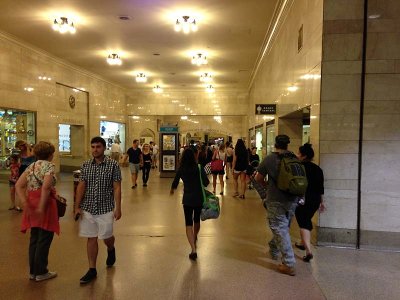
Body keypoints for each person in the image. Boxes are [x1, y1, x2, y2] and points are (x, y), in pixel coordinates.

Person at [74, 136, 122, 284]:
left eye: (98, 147)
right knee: (91, 237)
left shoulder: (113, 165)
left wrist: (118, 207)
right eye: (93, 147)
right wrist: (77, 206)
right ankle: (92, 269)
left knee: (106, 237)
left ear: (104, 148)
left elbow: (117, 187)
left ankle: (111, 248)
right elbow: (81, 185)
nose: (95, 150)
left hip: (106, 207)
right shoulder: (86, 165)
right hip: (88, 207)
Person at [15, 141, 59, 282]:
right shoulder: (49, 166)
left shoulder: (31, 166)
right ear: (50, 154)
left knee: (34, 238)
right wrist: (42, 205)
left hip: (32, 203)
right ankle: (41, 272)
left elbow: (19, 185)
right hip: (44, 204)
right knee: (44, 238)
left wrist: (24, 202)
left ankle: (33, 272)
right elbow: (46, 187)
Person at [255, 135, 298, 276]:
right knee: (283, 227)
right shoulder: (294, 158)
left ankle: (289, 263)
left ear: (275, 144)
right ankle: (274, 246)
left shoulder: (269, 158)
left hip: (275, 199)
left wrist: (267, 186)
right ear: (287, 145)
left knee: (279, 228)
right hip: (292, 199)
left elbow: (258, 178)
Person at [170, 148, 209, 261]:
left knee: (188, 223)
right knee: (196, 219)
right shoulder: (199, 167)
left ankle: (193, 249)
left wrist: (172, 189)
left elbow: (175, 181)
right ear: (193, 156)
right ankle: (195, 235)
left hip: (187, 199)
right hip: (198, 198)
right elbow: (206, 182)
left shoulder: (181, 168)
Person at [294, 143, 325, 262]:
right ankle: (302, 243)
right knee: (306, 219)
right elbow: (321, 187)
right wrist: (321, 202)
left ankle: (308, 251)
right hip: (315, 200)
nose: (297, 155)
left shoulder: (299, 168)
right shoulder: (318, 169)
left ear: (303, 155)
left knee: (303, 222)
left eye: (299, 153)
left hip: (302, 199)